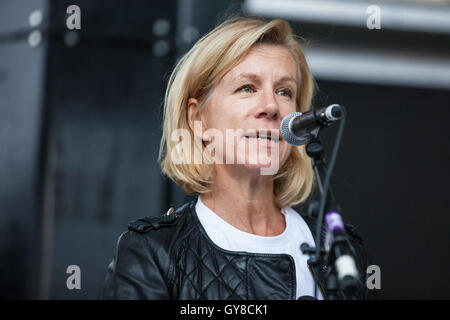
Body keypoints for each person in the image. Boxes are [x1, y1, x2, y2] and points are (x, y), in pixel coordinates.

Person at [103, 16, 374, 300]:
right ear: (198, 119)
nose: (271, 106)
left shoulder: (342, 254)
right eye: (247, 88)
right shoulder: (151, 253)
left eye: (284, 91)